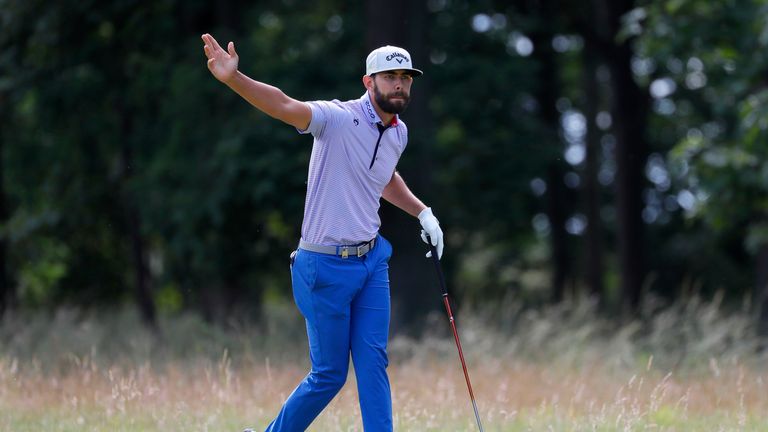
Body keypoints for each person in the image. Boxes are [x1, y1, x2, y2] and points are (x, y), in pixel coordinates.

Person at [201, 33, 444, 432]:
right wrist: (234, 78)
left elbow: (381, 178)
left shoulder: (399, 132)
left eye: (406, 76)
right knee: (330, 375)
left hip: (371, 262)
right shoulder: (336, 118)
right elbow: (283, 104)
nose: (399, 84)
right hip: (323, 267)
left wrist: (423, 212)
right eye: (390, 76)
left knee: (373, 362)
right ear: (369, 82)